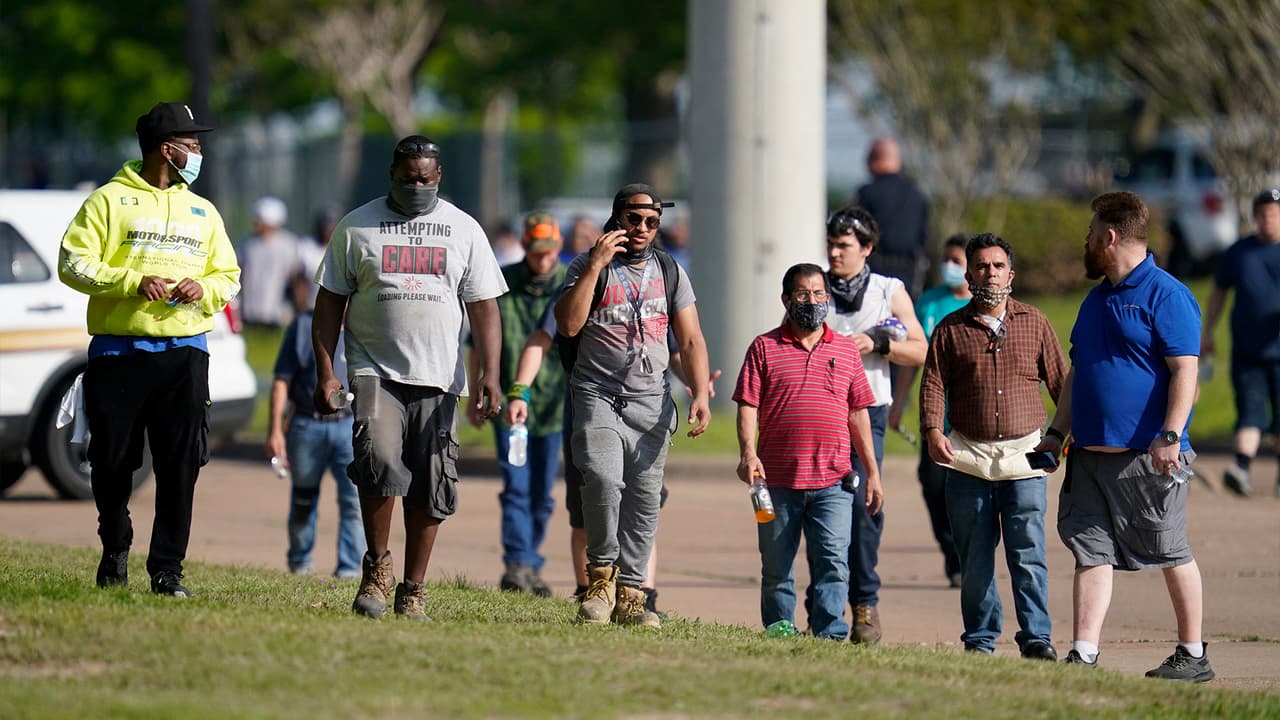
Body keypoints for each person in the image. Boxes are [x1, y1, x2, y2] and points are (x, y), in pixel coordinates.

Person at [312, 135, 506, 620]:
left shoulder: (463, 229)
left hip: (440, 377)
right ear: (392, 175)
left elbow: (484, 308)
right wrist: (326, 373)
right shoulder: (357, 227)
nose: (417, 187)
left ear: (438, 177)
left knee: (432, 482)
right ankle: (378, 566)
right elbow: (329, 304)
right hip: (373, 369)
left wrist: (490, 374)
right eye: (407, 179)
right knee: (376, 459)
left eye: (425, 179)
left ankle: (413, 588)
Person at [58, 101, 241, 597]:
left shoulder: (202, 210)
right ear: (168, 149)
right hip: (118, 354)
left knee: (181, 464)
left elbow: (229, 275)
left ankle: (167, 571)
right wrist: (133, 282)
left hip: (185, 353)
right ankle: (115, 541)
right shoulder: (107, 201)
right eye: (193, 145)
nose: (200, 152)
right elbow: (73, 264)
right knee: (114, 461)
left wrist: (204, 289)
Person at [1045, 191, 1212, 681]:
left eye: (1091, 233)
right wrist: (1057, 433)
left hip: (1149, 454)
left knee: (1170, 549)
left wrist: (1170, 435)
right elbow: (1080, 372)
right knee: (1089, 552)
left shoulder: (1168, 294)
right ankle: (1084, 653)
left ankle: (1193, 653)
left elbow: (1186, 371)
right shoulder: (1096, 299)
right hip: (1090, 454)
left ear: (1110, 237)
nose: (1087, 241)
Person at [554, 182, 712, 628]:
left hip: (652, 402)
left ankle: (632, 594)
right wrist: (595, 265)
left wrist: (699, 393)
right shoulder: (589, 265)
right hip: (597, 394)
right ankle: (600, 578)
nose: (642, 229)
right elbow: (567, 325)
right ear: (616, 218)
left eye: (652, 223)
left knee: (644, 502)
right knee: (602, 481)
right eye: (634, 219)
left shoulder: (670, 271)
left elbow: (692, 338)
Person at [919, 233, 1068, 659]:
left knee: (1028, 555)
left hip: (1025, 460)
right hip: (968, 460)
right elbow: (933, 384)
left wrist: (1066, 435)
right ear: (968, 275)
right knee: (976, 559)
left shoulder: (1034, 322)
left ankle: (1037, 636)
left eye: (998, 266)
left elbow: (1062, 383)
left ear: (1011, 274)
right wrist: (932, 431)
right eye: (981, 266)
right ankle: (981, 639)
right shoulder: (950, 329)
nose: (990, 273)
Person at [733, 263, 881, 639]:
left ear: (827, 299)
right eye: (802, 293)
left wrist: (872, 472)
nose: (811, 301)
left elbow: (858, 413)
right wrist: (748, 453)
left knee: (833, 562)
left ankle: (829, 632)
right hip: (774, 483)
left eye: (818, 294)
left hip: (834, 482)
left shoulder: (846, 351)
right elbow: (748, 404)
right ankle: (780, 628)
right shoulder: (763, 347)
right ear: (786, 299)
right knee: (776, 565)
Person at [824, 205, 928, 644]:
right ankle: (823, 607)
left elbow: (921, 348)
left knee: (865, 509)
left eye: (844, 245)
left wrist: (876, 343)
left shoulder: (889, 291)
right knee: (823, 512)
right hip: (820, 416)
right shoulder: (814, 289)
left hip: (871, 414)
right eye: (830, 243)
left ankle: (865, 605)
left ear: (867, 248)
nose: (834, 253)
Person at [466, 212, 568, 597]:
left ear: (558, 249)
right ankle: (518, 563)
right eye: (537, 251)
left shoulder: (570, 283)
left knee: (542, 492)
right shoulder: (501, 282)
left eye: (550, 251)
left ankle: (531, 560)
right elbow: (476, 342)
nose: (544, 259)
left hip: (556, 405)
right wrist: (477, 393)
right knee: (515, 486)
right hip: (509, 403)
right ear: (525, 246)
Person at [265, 273, 366, 578]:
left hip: (349, 427)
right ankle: (299, 563)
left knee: (354, 503)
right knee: (304, 498)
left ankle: (349, 568)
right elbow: (282, 381)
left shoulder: (365, 328)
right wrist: (274, 430)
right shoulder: (302, 326)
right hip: (307, 426)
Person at [889, 233, 971, 588]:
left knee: (974, 493)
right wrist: (898, 402)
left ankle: (973, 555)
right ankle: (953, 553)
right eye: (947, 259)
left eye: (958, 260)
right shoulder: (929, 303)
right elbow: (911, 358)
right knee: (933, 483)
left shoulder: (986, 304)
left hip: (976, 420)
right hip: (937, 417)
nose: (950, 267)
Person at [1202, 188, 1280, 498]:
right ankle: (1241, 468)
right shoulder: (1239, 252)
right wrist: (1208, 332)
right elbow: (1219, 292)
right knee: (1249, 410)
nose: (1268, 219)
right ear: (1254, 216)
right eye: (1262, 214)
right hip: (1247, 350)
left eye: (1273, 213)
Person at [855, 137, 929, 297]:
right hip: (909, 276)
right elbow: (924, 239)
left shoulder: (867, 194)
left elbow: (856, 235)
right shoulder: (917, 195)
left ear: (875, 159)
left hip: (873, 274)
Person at [236, 196, 300, 328]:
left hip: (278, 314)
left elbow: (295, 277)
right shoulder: (247, 244)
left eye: (259, 219)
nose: (256, 223)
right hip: (249, 313)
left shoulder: (289, 244)